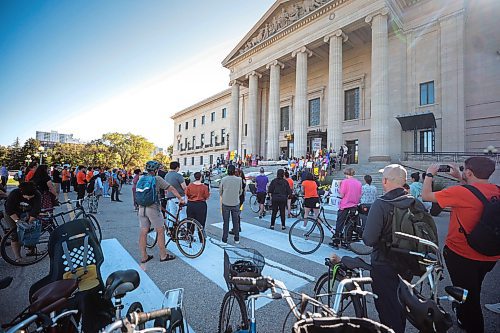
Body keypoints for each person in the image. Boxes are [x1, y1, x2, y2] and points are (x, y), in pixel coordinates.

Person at [421, 158, 500, 333]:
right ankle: (463, 317)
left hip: (463, 255)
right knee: (473, 288)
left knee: (469, 299)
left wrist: (429, 174)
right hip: (490, 254)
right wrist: (460, 177)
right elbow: (474, 192)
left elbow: (426, 196)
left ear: (470, 173)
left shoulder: (459, 192)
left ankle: (472, 323)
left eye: (465, 170)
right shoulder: (496, 190)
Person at [362, 164, 424, 333]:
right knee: (400, 302)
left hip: (384, 263)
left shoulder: (381, 203)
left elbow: (368, 239)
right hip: (409, 262)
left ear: (385, 181)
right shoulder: (415, 202)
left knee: (387, 308)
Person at [138, 161, 184, 263]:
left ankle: (144, 256)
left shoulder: (141, 179)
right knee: (160, 230)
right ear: (156, 170)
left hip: (141, 208)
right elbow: (171, 188)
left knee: (143, 231)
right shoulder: (157, 179)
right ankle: (163, 255)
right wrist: (180, 198)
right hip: (153, 208)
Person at [4, 181, 41, 261]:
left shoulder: (37, 194)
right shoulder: (14, 194)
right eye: (26, 197)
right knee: (15, 234)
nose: (28, 199)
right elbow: (9, 210)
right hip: (12, 214)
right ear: (21, 192)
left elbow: (36, 210)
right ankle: (18, 257)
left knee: (30, 230)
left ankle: (31, 250)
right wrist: (18, 222)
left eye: (31, 197)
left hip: (27, 212)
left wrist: (29, 222)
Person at [331, 167, 362, 248]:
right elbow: (360, 194)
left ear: (346, 174)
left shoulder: (345, 182)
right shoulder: (359, 183)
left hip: (345, 205)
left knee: (340, 222)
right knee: (349, 224)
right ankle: (347, 240)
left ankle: (336, 240)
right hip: (354, 205)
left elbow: (342, 194)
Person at [220, 165, 243, 244]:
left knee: (225, 222)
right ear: (234, 171)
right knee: (235, 222)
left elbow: (220, 191)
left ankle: (224, 239)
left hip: (226, 202)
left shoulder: (223, 179)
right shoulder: (239, 179)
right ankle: (236, 238)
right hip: (235, 202)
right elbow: (240, 191)